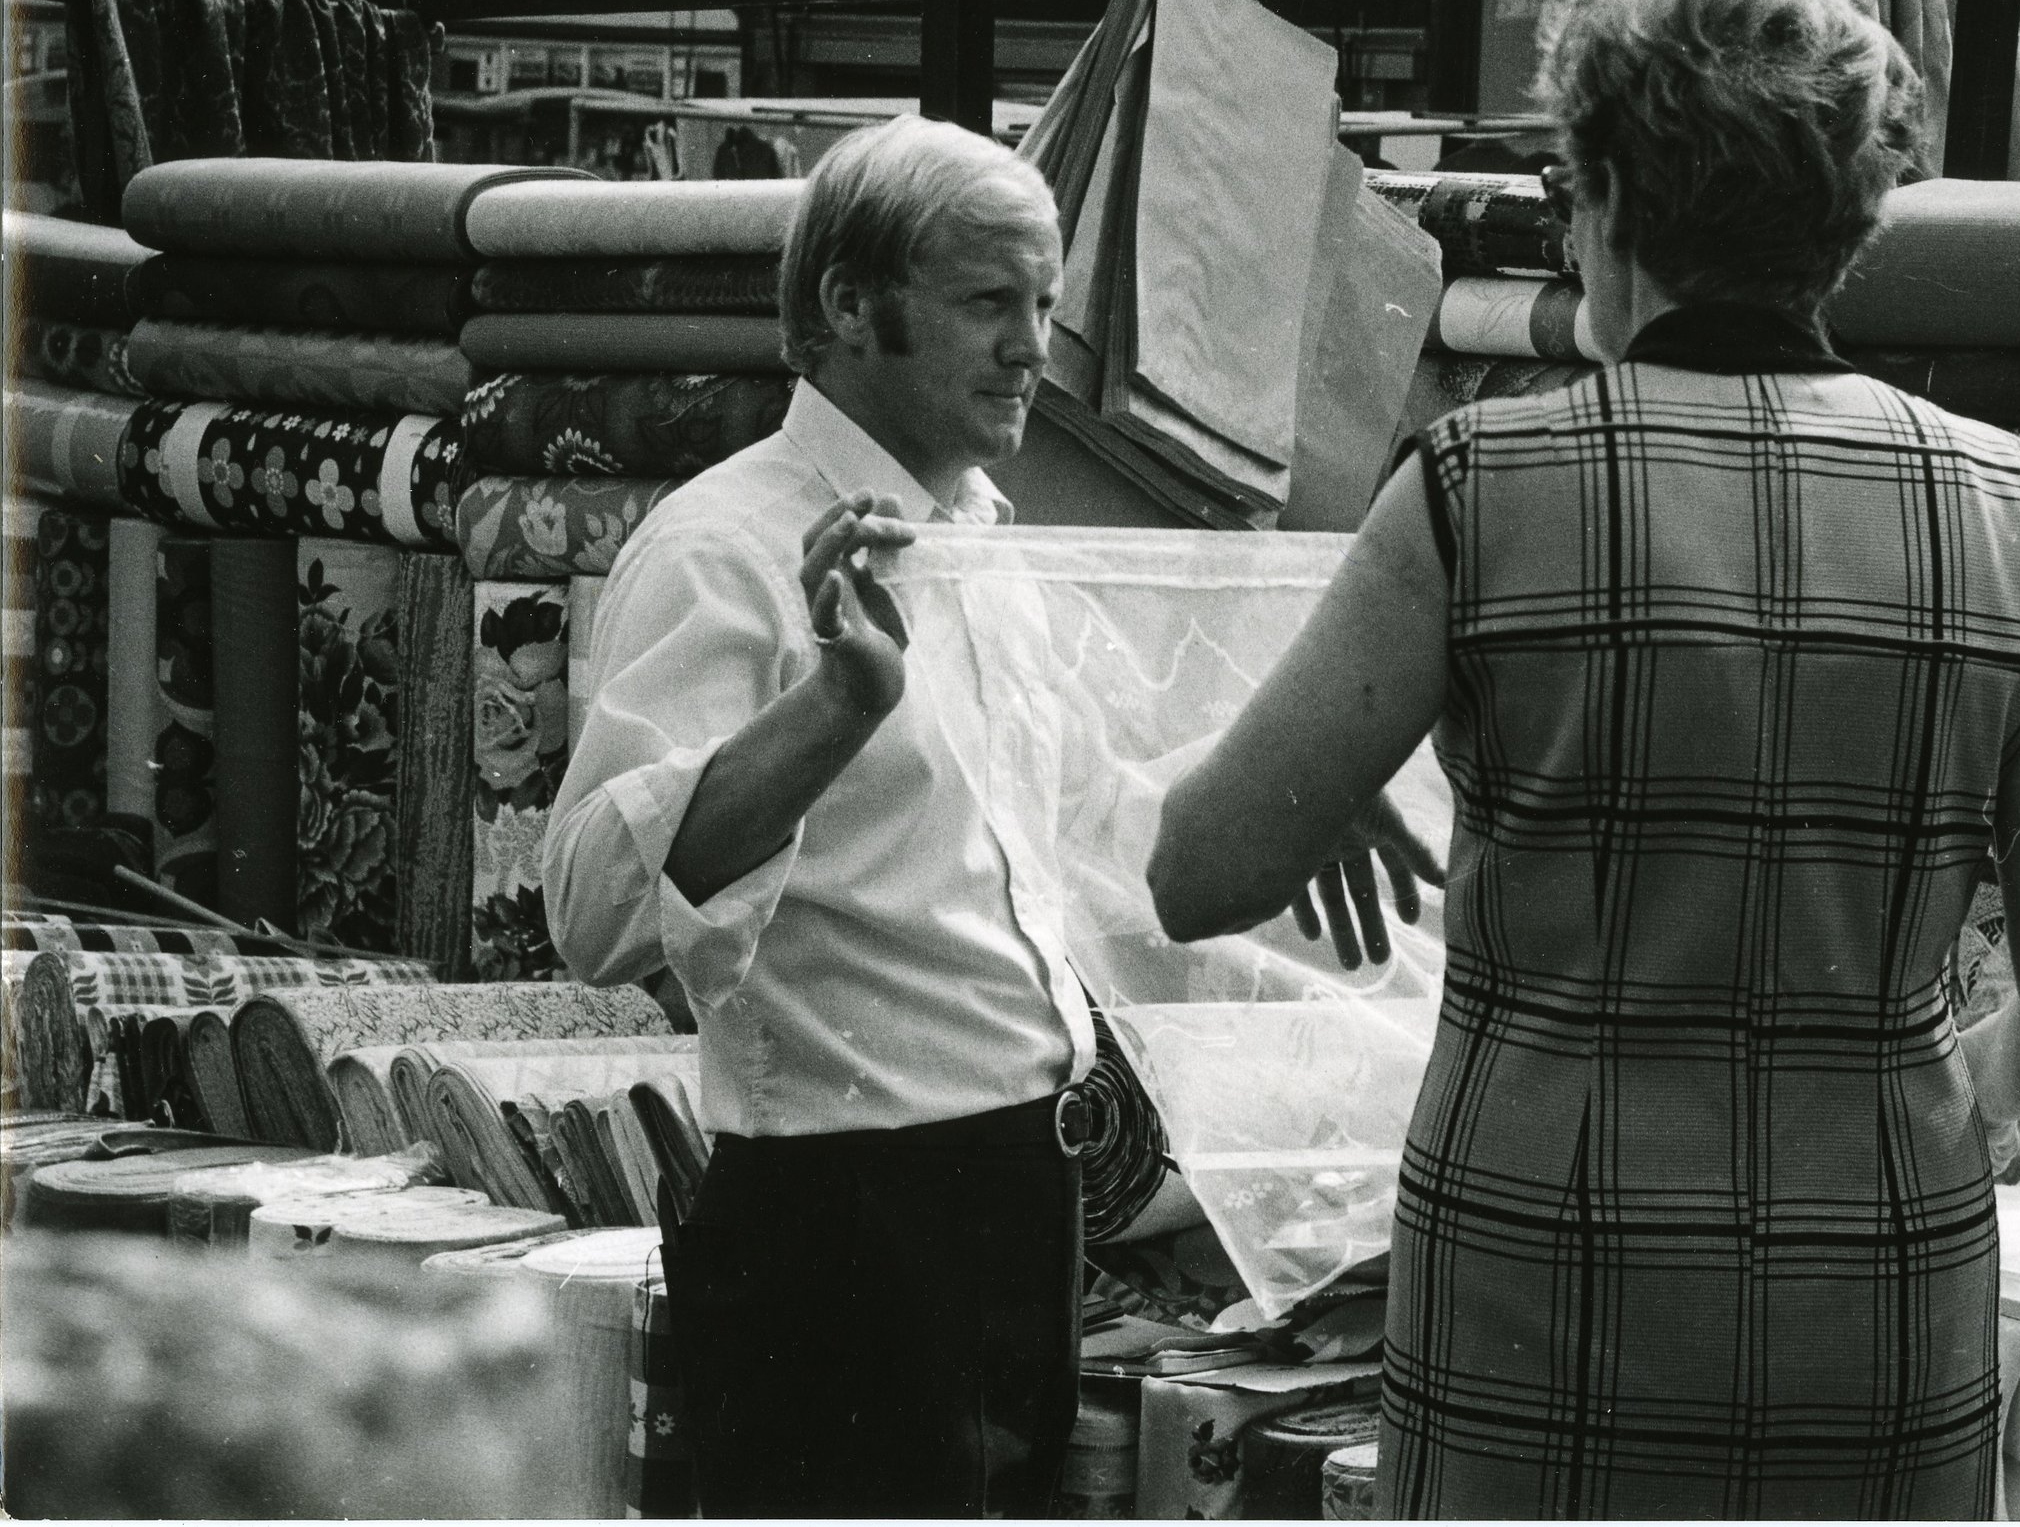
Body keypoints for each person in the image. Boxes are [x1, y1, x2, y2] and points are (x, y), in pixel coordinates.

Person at [1149, 0, 2020, 1519]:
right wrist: (1968, 1074)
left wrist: (1317, 784)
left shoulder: (1480, 495)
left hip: (1539, 1299)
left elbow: (1195, 871)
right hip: (1877, 1304)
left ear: (1608, 194)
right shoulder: (2004, 509)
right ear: (1846, 215)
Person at [543, 113, 1416, 1517]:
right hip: (842, 1230)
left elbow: (1084, 823)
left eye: (1047, 305)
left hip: (1015, 1209)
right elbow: (588, 903)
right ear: (845, 305)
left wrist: (1299, 791)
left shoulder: (981, 544)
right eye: (987, 301)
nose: (1032, 345)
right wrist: (832, 709)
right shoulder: (724, 549)